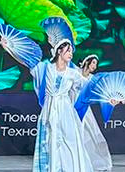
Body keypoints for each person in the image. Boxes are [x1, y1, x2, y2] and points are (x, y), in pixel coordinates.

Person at [23, 38, 94, 172]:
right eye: (68, 51)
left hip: (66, 110)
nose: (71, 54)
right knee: (50, 140)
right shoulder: (46, 68)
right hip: (49, 109)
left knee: (70, 142)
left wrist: (111, 99)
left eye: (71, 51)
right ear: (59, 51)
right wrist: (9, 47)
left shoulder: (73, 74)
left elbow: (88, 89)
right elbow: (27, 62)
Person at [78, 54, 113, 172]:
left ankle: (97, 163)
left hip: (85, 110)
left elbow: (102, 92)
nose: (94, 66)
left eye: (96, 64)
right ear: (87, 62)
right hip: (71, 108)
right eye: (93, 63)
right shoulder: (75, 73)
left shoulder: (92, 78)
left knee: (91, 134)